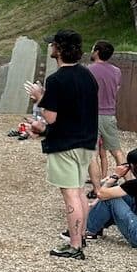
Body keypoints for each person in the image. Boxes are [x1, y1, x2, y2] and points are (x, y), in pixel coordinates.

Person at [25, 28, 99, 259]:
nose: (50, 47)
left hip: (66, 144)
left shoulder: (56, 80)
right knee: (79, 191)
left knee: (71, 195)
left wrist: (40, 97)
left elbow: (51, 117)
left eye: (53, 44)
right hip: (86, 142)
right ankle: (81, 236)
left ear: (59, 49)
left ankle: (75, 246)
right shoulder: (88, 75)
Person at [87, 40, 125, 190]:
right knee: (117, 151)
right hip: (109, 115)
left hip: (91, 116)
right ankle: (130, 183)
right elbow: (116, 90)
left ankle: (97, 189)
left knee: (92, 155)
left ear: (96, 52)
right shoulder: (117, 71)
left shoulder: (88, 70)